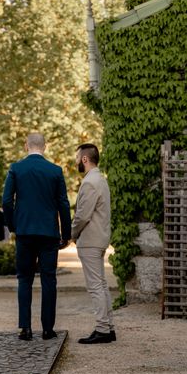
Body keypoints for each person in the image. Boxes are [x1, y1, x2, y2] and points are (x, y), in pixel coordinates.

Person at [2, 133, 71, 341]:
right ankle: (48, 329)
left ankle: (25, 328)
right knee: (49, 279)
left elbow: (6, 201)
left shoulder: (16, 168)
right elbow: (63, 204)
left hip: (24, 231)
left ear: (26, 146)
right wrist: (66, 234)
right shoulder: (55, 171)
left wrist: (14, 225)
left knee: (25, 279)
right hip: (49, 232)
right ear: (45, 147)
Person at [71, 143, 115, 344]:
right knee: (102, 285)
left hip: (90, 240)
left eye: (77, 158)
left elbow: (82, 216)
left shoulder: (90, 182)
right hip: (100, 238)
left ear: (85, 159)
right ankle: (108, 326)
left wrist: (71, 234)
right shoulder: (101, 179)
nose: (76, 161)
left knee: (95, 286)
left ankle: (102, 329)